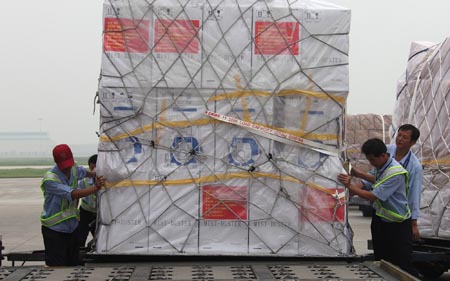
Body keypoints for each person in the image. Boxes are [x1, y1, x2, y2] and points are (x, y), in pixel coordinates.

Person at [337, 138, 415, 275]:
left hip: (397, 224)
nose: (371, 163)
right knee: (381, 260)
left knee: (400, 265)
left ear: (383, 155)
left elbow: (372, 196)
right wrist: (354, 179)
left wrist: (350, 187)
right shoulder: (380, 166)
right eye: (369, 160)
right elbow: (369, 181)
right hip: (381, 220)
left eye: (372, 160)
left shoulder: (395, 173)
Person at [352, 124, 422, 240]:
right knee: (379, 249)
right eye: (399, 135)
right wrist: (357, 187)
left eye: (405, 137)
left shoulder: (414, 167)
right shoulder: (386, 150)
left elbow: (414, 195)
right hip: (380, 212)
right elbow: (375, 174)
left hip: (396, 216)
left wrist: (413, 223)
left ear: (413, 142)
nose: (400, 139)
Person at [40, 144, 105, 266]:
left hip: (71, 228)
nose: (67, 169)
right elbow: (73, 194)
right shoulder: (50, 179)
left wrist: (95, 175)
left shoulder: (74, 169)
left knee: (73, 265)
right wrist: (96, 187)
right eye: (63, 166)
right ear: (56, 162)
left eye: (69, 165)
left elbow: (86, 173)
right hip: (54, 231)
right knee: (57, 268)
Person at [78, 154, 98, 248]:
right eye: (92, 167)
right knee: (80, 238)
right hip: (85, 212)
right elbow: (76, 196)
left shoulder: (107, 181)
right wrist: (75, 212)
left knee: (99, 239)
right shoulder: (83, 181)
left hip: (99, 214)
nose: (94, 170)